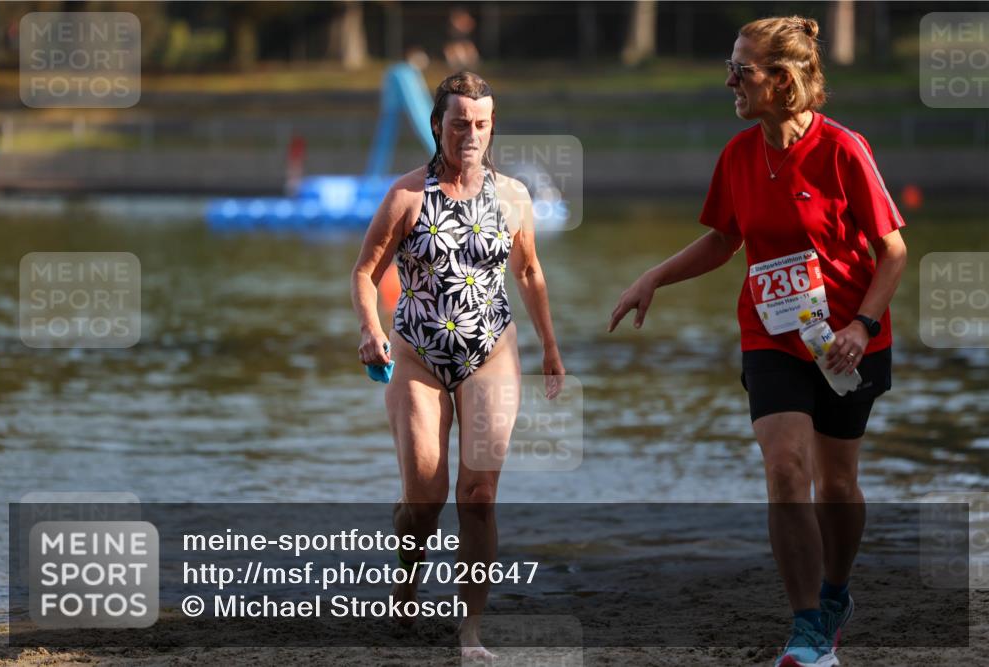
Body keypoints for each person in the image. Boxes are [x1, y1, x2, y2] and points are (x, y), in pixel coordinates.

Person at [608, 16, 907, 667]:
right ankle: (807, 627)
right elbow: (724, 239)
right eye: (731, 67)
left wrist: (862, 326)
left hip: (847, 341)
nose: (730, 81)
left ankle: (835, 593)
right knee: (785, 468)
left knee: (837, 486)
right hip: (771, 334)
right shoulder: (739, 154)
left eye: (740, 70)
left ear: (782, 80)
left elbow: (892, 250)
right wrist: (654, 276)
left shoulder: (843, 149)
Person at [351, 71, 565, 659]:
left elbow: (528, 272)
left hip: (490, 353)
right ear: (437, 126)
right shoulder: (406, 196)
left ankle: (470, 630)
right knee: (425, 498)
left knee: (478, 495)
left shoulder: (513, 196)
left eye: (481, 124)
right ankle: (407, 579)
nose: (470, 135)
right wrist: (370, 328)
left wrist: (549, 346)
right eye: (459, 124)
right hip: (417, 356)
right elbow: (365, 273)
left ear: (492, 127)